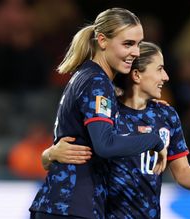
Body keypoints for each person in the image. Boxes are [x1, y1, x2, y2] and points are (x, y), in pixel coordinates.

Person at [43, 42, 190, 218]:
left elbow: (182, 171)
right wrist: (50, 154)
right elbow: (72, 154)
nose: (165, 77)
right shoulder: (105, 113)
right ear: (136, 75)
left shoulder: (166, 115)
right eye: (159, 69)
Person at [29, 8, 167, 219]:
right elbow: (105, 144)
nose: (136, 52)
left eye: (138, 44)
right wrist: (154, 141)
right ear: (102, 40)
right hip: (74, 206)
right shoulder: (97, 82)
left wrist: (48, 155)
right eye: (128, 44)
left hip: (60, 204)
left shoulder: (86, 75)